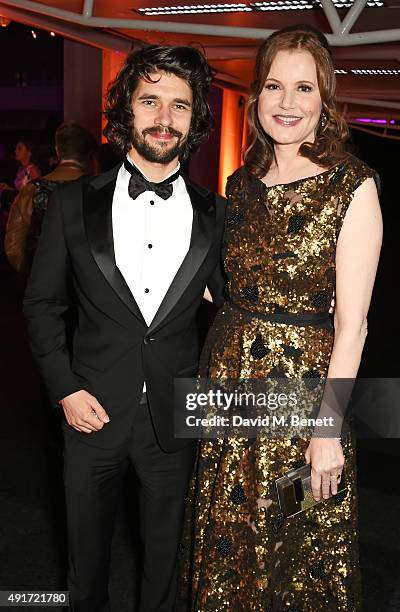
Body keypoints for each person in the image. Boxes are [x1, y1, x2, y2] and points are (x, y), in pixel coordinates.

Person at [179, 25, 382, 610]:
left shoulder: (353, 187)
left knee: (288, 545)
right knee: (229, 548)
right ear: (256, 97)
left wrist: (328, 429)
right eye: (274, 85)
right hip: (228, 385)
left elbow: (354, 325)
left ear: (326, 101)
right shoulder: (239, 185)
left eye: (304, 88)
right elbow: (227, 289)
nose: (287, 103)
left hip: (301, 400)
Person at [23, 45, 225, 612]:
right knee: (85, 565)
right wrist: (64, 387)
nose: (164, 118)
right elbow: (41, 304)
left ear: (194, 120)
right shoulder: (69, 204)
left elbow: (236, 309)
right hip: (89, 411)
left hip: (175, 414)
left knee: (166, 564)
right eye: (150, 101)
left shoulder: (219, 214)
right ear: (125, 113)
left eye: (180, 106)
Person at [5, 122, 97, 275]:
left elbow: (13, 246)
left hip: (42, 279)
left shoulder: (33, 189)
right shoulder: (99, 189)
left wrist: (34, 275)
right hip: (89, 284)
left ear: (57, 150)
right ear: (89, 154)